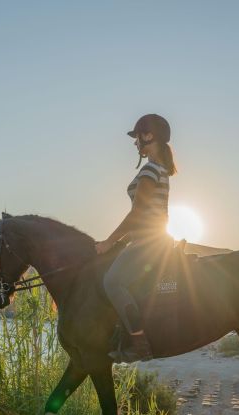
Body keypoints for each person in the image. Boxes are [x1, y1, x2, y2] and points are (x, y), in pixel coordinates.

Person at [95, 114, 177, 362]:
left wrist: (109, 242)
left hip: (150, 242)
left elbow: (139, 212)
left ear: (148, 136)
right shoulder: (159, 168)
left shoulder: (151, 168)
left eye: (137, 137)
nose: (135, 143)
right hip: (150, 238)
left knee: (112, 282)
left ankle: (138, 344)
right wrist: (123, 240)